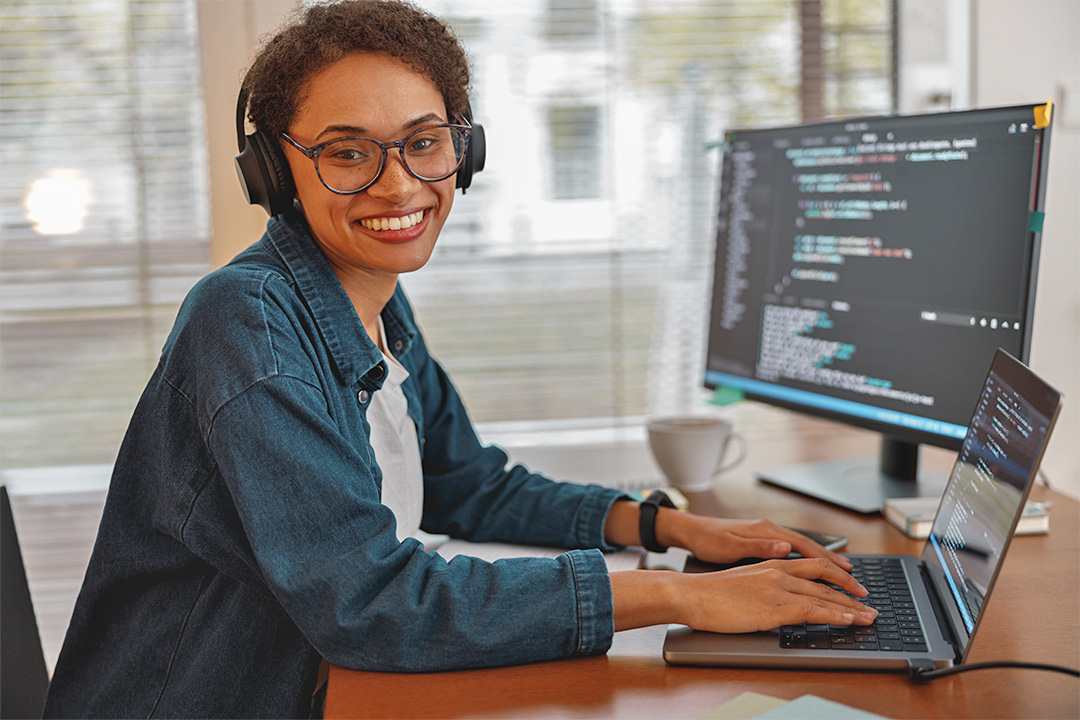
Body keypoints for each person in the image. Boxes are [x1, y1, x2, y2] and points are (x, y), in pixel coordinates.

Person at [42, 2, 875, 717]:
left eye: (423, 143)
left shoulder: (371, 301)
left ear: (462, 153)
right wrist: (680, 594)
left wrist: (667, 526)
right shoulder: (249, 321)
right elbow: (366, 602)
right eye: (346, 152)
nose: (399, 186)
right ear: (275, 173)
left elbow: (467, 483)